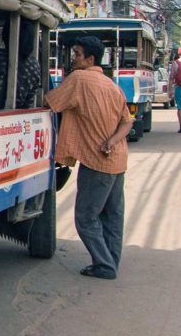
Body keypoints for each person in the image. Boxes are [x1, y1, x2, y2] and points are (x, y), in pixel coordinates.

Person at [45, 36, 134, 280]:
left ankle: (104, 265)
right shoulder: (110, 85)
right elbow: (127, 122)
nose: (73, 58)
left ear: (90, 59)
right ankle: (111, 261)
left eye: (77, 54)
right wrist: (113, 141)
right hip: (118, 159)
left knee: (85, 218)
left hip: (97, 162)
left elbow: (50, 103)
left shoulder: (79, 79)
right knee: (112, 216)